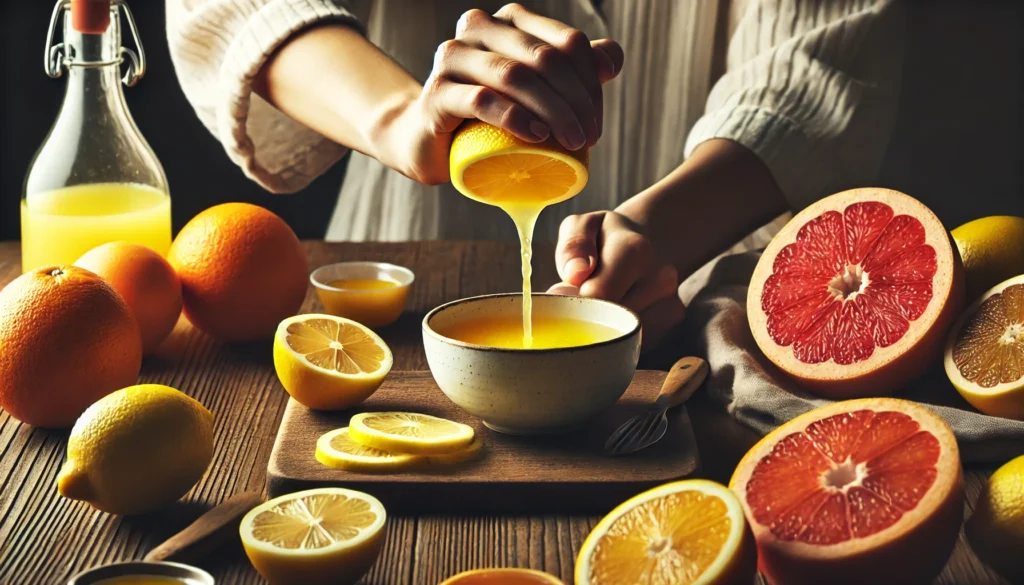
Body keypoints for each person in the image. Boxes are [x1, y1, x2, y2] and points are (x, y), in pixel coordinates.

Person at [168, 1, 1022, 351]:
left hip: (705, 285)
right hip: (402, 283)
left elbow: (813, 61)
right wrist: (398, 119)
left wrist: (661, 232)